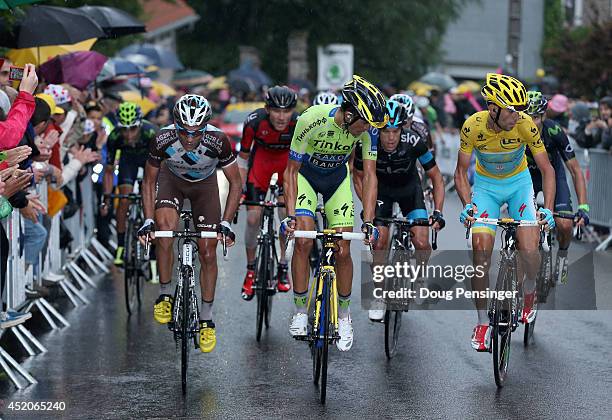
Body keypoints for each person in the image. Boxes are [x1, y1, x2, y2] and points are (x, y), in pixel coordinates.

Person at [283, 74, 388, 351]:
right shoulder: (310, 119)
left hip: (336, 181)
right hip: (306, 177)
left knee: (343, 248)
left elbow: (369, 177)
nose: (367, 128)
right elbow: (291, 171)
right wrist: (291, 216)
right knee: (304, 240)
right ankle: (299, 311)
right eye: (364, 122)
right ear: (351, 113)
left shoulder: (368, 131)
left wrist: (368, 221)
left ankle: (344, 317)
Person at [454, 73, 556, 352]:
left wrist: (546, 207)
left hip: (519, 185)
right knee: (480, 250)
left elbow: (547, 170)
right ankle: (481, 323)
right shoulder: (472, 127)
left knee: (530, 248)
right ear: (493, 108)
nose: (518, 116)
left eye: (520, 111)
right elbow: (461, 173)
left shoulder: (525, 126)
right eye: (512, 111)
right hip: (486, 188)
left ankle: (529, 292)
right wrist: (468, 206)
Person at [138, 94, 241, 353]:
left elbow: (236, 183)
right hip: (172, 182)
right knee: (163, 231)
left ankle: (206, 318)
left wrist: (226, 222)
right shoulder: (162, 138)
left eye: (197, 132)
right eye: (184, 132)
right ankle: (164, 293)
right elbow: (149, 182)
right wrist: (148, 220)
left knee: (207, 251)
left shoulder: (218, 140)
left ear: (206, 125)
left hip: (204, 187)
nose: (190, 139)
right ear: (176, 125)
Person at [353, 100, 446, 321]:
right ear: (379, 129)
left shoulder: (414, 141)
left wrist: (438, 212)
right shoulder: (368, 141)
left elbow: (437, 178)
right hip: (381, 193)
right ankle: (379, 295)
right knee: (380, 241)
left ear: (403, 129)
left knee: (422, 242)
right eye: (386, 131)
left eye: (396, 131)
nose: (391, 137)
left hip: (409, 192)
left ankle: (420, 276)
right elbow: (357, 176)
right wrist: (368, 205)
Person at [237, 86, 298, 300]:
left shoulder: (298, 123)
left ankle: (283, 267)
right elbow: (243, 159)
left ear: (293, 111)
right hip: (260, 167)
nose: (281, 117)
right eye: (276, 111)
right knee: (253, 219)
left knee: (284, 218)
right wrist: (240, 189)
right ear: (267, 109)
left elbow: (303, 162)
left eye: (286, 111)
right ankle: (251, 269)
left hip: (286, 168)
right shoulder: (254, 121)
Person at [525, 91, 589, 283]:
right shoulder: (516, 131)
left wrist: (583, 206)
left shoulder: (554, 131)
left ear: (544, 116)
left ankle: (562, 254)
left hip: (554, 175)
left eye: (535, 117)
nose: (530, 122)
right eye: (526, 116)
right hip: (528, 178)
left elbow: (576, 171)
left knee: (564, 223)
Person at [101, 102, 158, 268]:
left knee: (152, 200)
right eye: (124, 129)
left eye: (132, 129)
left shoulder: (151, 132)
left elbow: (162, 165)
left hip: (149, 161)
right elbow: (109, 171)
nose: (128, 134)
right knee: (124, 199)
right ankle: (121, 245)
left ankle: (154, 250)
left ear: (140, 124)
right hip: (128, 162)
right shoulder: (114, 136)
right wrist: (107, 198)